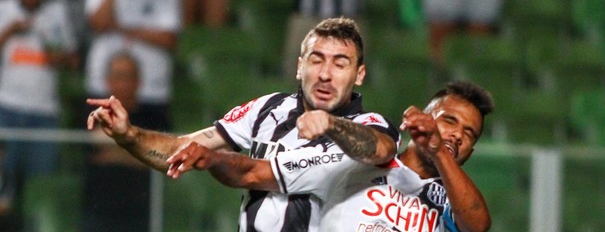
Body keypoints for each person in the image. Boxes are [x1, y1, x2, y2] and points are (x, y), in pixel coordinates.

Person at [86, 17, 400, 231]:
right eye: (316, 60)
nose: (325, 74)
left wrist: (331, 125)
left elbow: (380, 149)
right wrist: (129, 135)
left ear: (359, 75)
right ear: (299, 66)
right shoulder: (267, 108)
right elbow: (181, 149)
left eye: (340, 63)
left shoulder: (369, 124)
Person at [168, 80, 494, 232]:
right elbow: (255, 172)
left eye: (469, 134)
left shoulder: (452, 199)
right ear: (423, 116)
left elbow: (478, 225)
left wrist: (439, 151)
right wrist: (213, 159)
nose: (457, 135)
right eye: (449, 121)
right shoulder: (358, 158)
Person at [0, 0, 78, 218]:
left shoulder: (57, 12)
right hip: (6, 108)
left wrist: (58, 55)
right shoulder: (3, 9)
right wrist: (9, 32)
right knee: (4, 188)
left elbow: (72, 59)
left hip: (44, 112)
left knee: (40, 187)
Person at [84, 0, 182, 130]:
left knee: (149, 156)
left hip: (151, 91)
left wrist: (122, 28)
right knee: (103, 157)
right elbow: (98, 23)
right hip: (104, 91)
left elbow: (169, 39)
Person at [82, 51, 164, 232]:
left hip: (142, 208)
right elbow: (86, 153)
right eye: (118, 76)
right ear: (108, 80)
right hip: (98, 208)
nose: (123, 82)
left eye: (128, 76)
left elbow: (163, 157)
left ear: (138, 81)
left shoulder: (153, 117)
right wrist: (138, 150)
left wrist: (112, 149)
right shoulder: (92, 113)